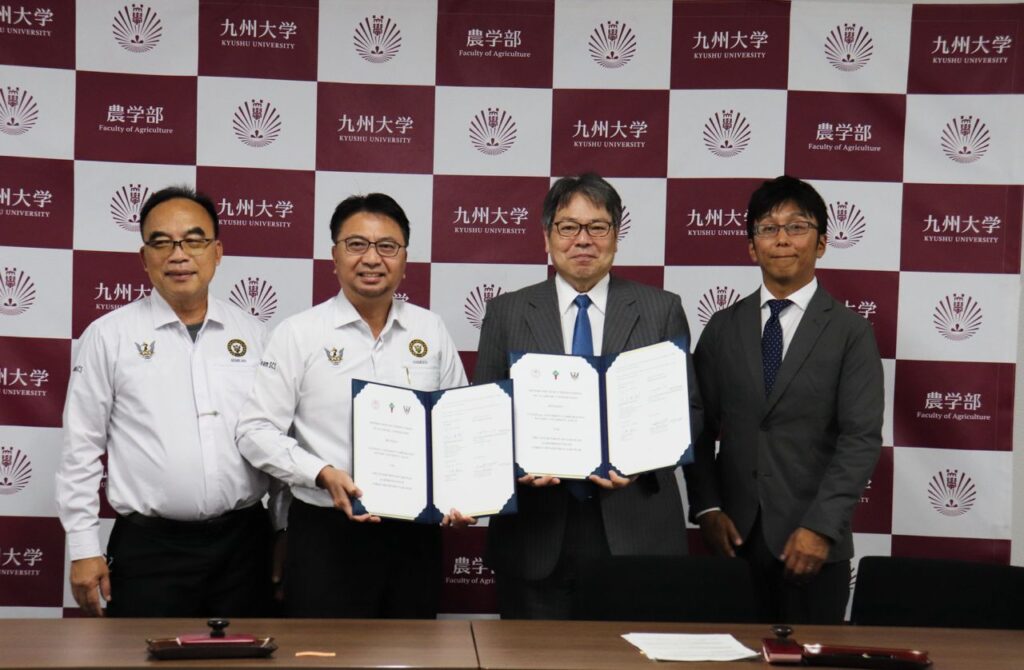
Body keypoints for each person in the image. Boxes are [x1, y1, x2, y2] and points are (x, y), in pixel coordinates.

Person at [474, 173, 699, 619]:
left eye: (597, 227)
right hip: (535, 531)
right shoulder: (506, 312)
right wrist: (516, 467)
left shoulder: (661, 309)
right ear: (547, 237)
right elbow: (485, 414)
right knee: (534, 656)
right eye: (568, 227)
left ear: (615, 236)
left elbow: (690, 411)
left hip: (636, 526)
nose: (583, 239)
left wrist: (641, 459)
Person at [236, 193, 467, 618]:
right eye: (356, 244)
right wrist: (321, 472)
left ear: (404, 259)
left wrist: (463, 492)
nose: (372, 258)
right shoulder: (299, 334)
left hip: (414, 535)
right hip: (326, 533)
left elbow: (458, 426)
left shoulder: (430, 330)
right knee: (325, 651)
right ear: (335, 256)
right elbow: (254, 432)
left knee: (411, 651)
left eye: (387, 246)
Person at [56, 186, 276, 617]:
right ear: (144, 257)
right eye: (162, 242)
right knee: (142, 652)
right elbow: (80, 447)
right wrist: (82, 547)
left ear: (217, 252)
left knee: (246, 652)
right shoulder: (109, 336)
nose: (179, 255)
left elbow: (277, 438)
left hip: (245, 545)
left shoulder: (256, 336)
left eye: (194, 240)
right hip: (150, 549)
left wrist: (283, 530)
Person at [684, 175, 883, 624]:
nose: (782, 239)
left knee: (809, 657)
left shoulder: (851, 333)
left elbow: (861, 439)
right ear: (751, 247)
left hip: (812, 549)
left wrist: (821, 527)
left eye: (797, 226)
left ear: (822, 243)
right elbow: (696, 428)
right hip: (731, 543)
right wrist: (708, 508)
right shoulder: (722, 328)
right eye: (768, 228)